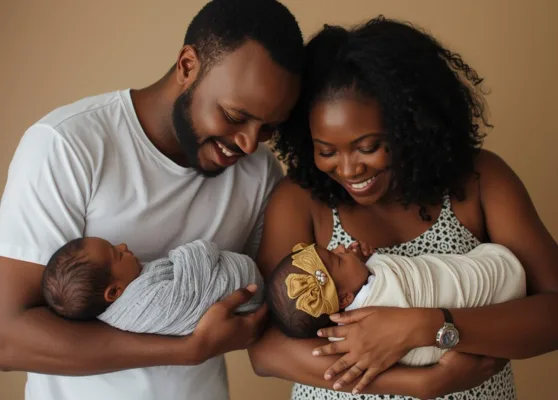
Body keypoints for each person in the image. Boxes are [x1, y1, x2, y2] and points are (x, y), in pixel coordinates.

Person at [0, 0, 303, 399]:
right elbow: (7, 337)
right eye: (234, 116)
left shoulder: (259, 172)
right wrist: (186, 350)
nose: (248, 143)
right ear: (187, 66)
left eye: (267, 129)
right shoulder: (68, 146)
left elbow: (269, 308)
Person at [249, 16, 558, 400]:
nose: (349, 169)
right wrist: (421, 384)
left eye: (368, 147)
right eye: (326, 151)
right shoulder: (300, 200)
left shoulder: (479, 181)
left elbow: (553, 312)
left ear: (411, 126)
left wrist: (427, 326)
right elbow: (264, 350)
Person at [266, 241, 525, 366]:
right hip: (500, 289)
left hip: (497, 287)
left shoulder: (348, 315)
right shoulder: (366, 321)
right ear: (345, 299)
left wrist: (367, 264)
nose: (341, 247)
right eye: (338, 259)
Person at [43, 237, 263, 333]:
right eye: (117, 254)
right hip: (243, 289)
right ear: (115, 291)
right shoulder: (141, 307)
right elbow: (186, 294)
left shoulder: (134, 287)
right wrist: (193, 251)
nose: (123, 245)